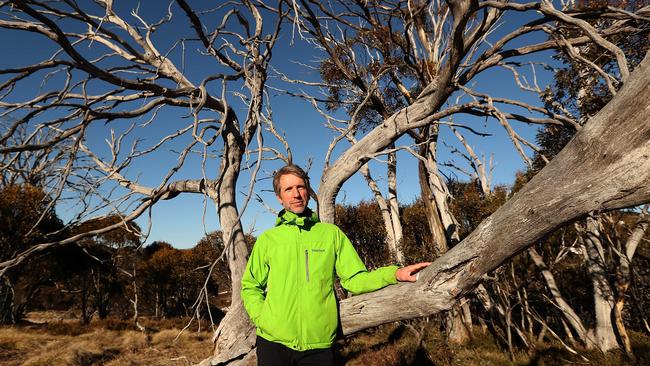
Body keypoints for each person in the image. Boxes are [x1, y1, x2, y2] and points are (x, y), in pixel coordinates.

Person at [241, 164, 430, 366]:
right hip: (272, 343)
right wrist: (263, 319)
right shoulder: (268, 239)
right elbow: (250, 286)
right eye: (288, 189)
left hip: (319, 345)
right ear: (279, 197)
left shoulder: (331, 234)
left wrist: (394, 274)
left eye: (300, 187)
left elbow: (355, 279)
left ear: (307, 190)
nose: (296, 194)